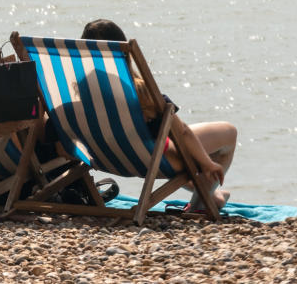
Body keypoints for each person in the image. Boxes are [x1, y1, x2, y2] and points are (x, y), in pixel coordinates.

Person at [80, 19, 237, 212]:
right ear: (124, 52)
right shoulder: (138, 91)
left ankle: (212, 196)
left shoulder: (79, 89)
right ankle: (203, 202)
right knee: (229, 132)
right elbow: (182, 132)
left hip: (107, 158)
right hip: (151, 161)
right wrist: (208, 164)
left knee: (167, 142)